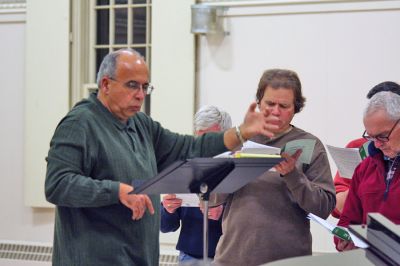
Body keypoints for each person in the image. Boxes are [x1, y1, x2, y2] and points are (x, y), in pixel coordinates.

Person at [44, 48, 279, 266]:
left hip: (137, 256)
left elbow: (187, 148)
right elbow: (57, 184)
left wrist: (239, 133)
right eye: (132, 85)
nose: (140, 95)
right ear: (106, 84)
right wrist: (116, 191)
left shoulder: (140, 124)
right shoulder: (80, 123)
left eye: (145, 87)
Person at [211, 69, 336, 266]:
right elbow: (208, 199)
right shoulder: (238, 139)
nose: (276, 111)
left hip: (288, 260)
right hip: (231, 258)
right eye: (270, 104)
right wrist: (232, 171)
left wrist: (293, 176)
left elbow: (324, 207)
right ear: (259, 102)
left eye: (284, 106)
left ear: (296, 107)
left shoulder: (310, 145)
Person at [161, 105, 231, 264]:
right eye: (201, 139)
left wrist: (223, 213)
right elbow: (165, 226)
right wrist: (168, 209)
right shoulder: (185, 168)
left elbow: (249, 223)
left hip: (228, 257)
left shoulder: (238, 170)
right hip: (189, 256)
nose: (205, 146)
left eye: (211, 139)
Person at [336, 91, 400, 251]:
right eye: (371, 137)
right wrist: (343, 239)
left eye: (383, 136)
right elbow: (349, 219)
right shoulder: (365, 169)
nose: (377, 144)